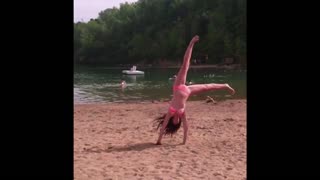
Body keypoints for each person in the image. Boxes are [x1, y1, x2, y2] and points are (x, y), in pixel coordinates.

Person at [155, 35, 235, 145]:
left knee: (185, 65)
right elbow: (186, 127)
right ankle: (225, 85)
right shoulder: (182, 114)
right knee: (207, 87)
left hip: (178, 86)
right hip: (187, 91)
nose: (177, 121)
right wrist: (184, 142)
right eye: (177, 122)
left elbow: (163, 125)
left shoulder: (171, 112)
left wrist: (158, 140)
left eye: (175, 121)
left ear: (172, 120)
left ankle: (191, 43)